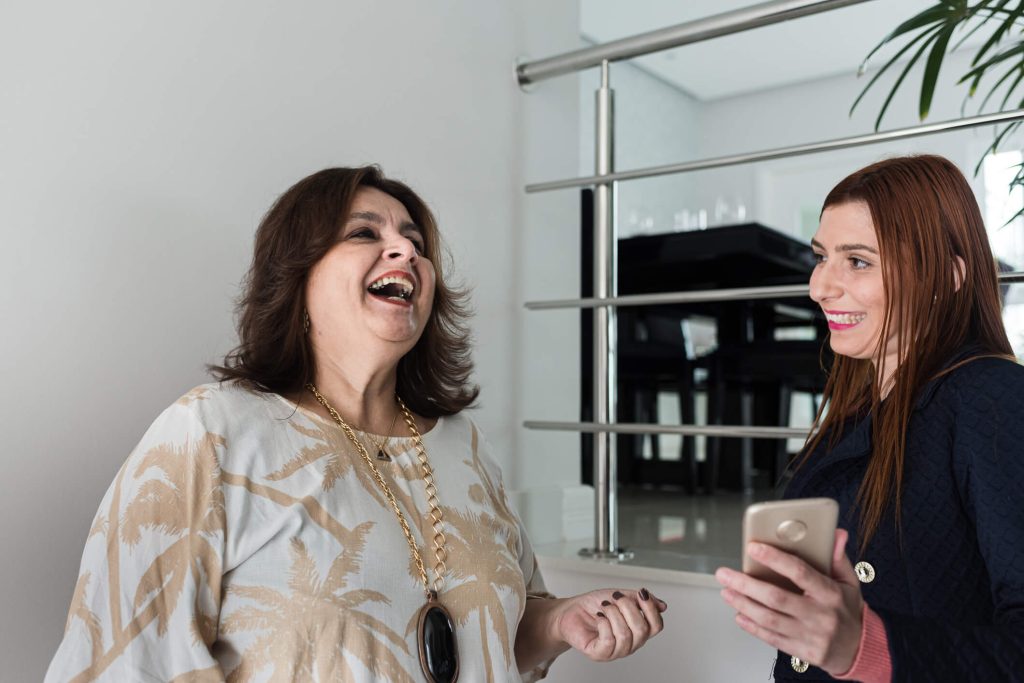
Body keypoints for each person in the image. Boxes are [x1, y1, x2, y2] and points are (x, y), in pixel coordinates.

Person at [46, 166, 666, 682]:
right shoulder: (210, 432)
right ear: (297, 277)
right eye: (364, 232)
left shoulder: (463, 447)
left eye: (416, 242)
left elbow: (501, 635)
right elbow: (123, 663)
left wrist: (557, 624)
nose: (407, 251)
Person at [714, 155, 1024, 682]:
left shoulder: (993, 398)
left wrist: (866, 647)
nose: (819, 287)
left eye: (857, 261)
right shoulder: (857, 407)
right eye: (821, 257)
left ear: (947, 276)